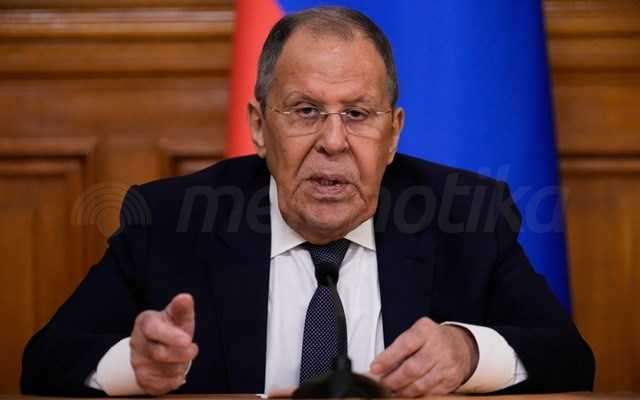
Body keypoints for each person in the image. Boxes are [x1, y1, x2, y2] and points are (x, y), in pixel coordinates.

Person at [21, 6, 594, 398]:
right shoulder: (168, 221)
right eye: (305, 111)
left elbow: (570, 358)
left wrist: (468, 352)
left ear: (393, 133)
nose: (333, 141)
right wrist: (134, 366)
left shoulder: (467, 215)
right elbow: (45, 362)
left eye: (358, 114)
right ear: (259, 126)